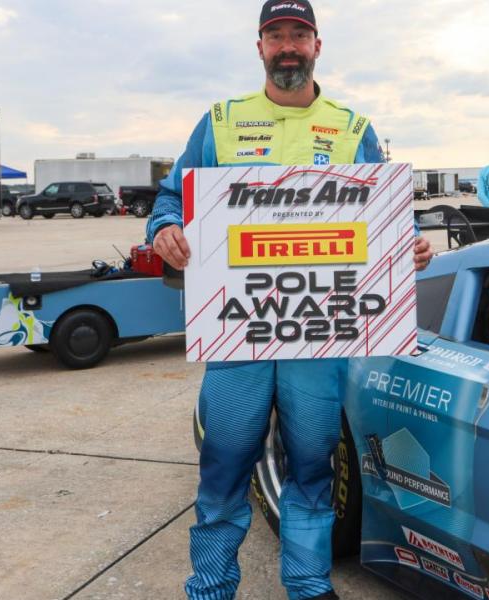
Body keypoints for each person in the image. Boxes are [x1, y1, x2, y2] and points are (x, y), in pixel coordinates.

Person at [146, 2, 433, 599]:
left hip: (318, 333)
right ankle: (211, 585)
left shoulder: (353, 128)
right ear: (259, 47)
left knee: (311, 464)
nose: (287, 47)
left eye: (297, 35)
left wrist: (407, 249)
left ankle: (306, 584)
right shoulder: (221, 121)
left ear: (316, 46)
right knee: (224, 463)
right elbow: (171, 200)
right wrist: (165, 230)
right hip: (237, 334)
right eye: (275, 35)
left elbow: (383, 220)